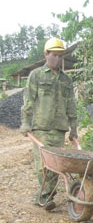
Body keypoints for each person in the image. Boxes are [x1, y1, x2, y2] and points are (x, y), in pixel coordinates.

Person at [20, 37, 78, 211]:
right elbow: (28, 100)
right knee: (43, 166)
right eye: (54, 55)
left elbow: (71, 105)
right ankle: (46, 196)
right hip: (41, 128)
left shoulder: (66, 80)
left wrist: (73, 128)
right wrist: (25, 122)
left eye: (60, 56)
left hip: (59, 129)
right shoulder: (36, 75)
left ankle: (45, 196)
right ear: (46, 55)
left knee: (56, 165)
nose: (58, 59)